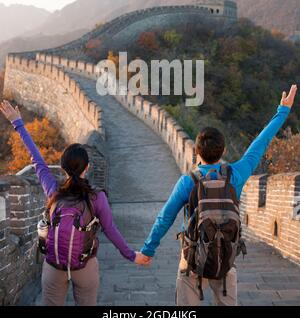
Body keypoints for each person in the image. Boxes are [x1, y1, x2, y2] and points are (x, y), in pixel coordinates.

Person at [139, 84, 298, 306]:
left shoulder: (188, 181)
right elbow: (260, 143)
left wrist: (148, 250)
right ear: (223, 152)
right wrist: (283, 110)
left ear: (196, 152)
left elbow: (165, 218)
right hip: (225, 255)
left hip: (192, 256)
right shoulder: (236, 174)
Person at [0, 100, 151, 306]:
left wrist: (18, 123)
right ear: (87, 167)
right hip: (85, 267)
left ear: (62, 167)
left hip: (54, 267)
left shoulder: (53, 192)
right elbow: (110, 230)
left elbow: (36, 160)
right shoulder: (97, 197)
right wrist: (132, 256)